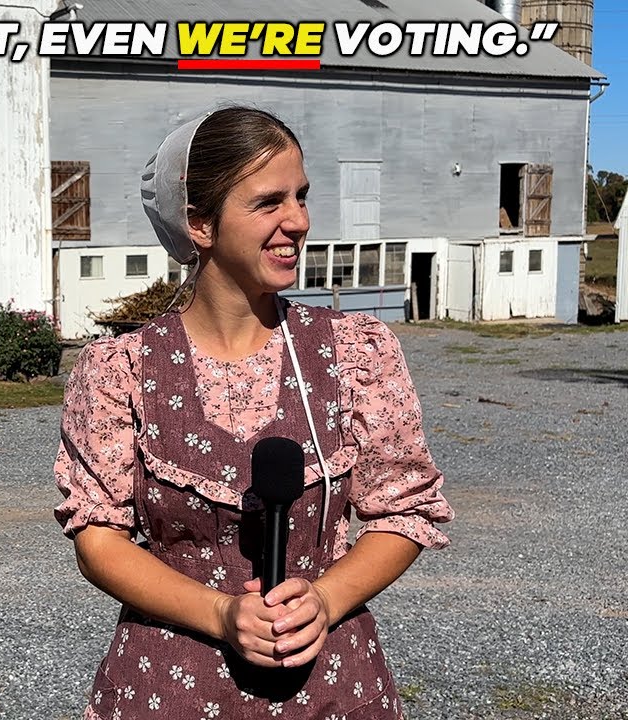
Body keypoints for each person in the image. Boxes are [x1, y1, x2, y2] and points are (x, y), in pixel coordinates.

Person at [54, 107, 454, 719]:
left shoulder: (357, 353)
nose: (299, 220)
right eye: (269, 202)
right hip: (169, 688)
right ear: (199, 223)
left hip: (330, 685)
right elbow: (99, 539)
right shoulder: (120, 369)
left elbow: (402, 509)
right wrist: (221, 613)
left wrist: (325, 599)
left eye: (301, 196)